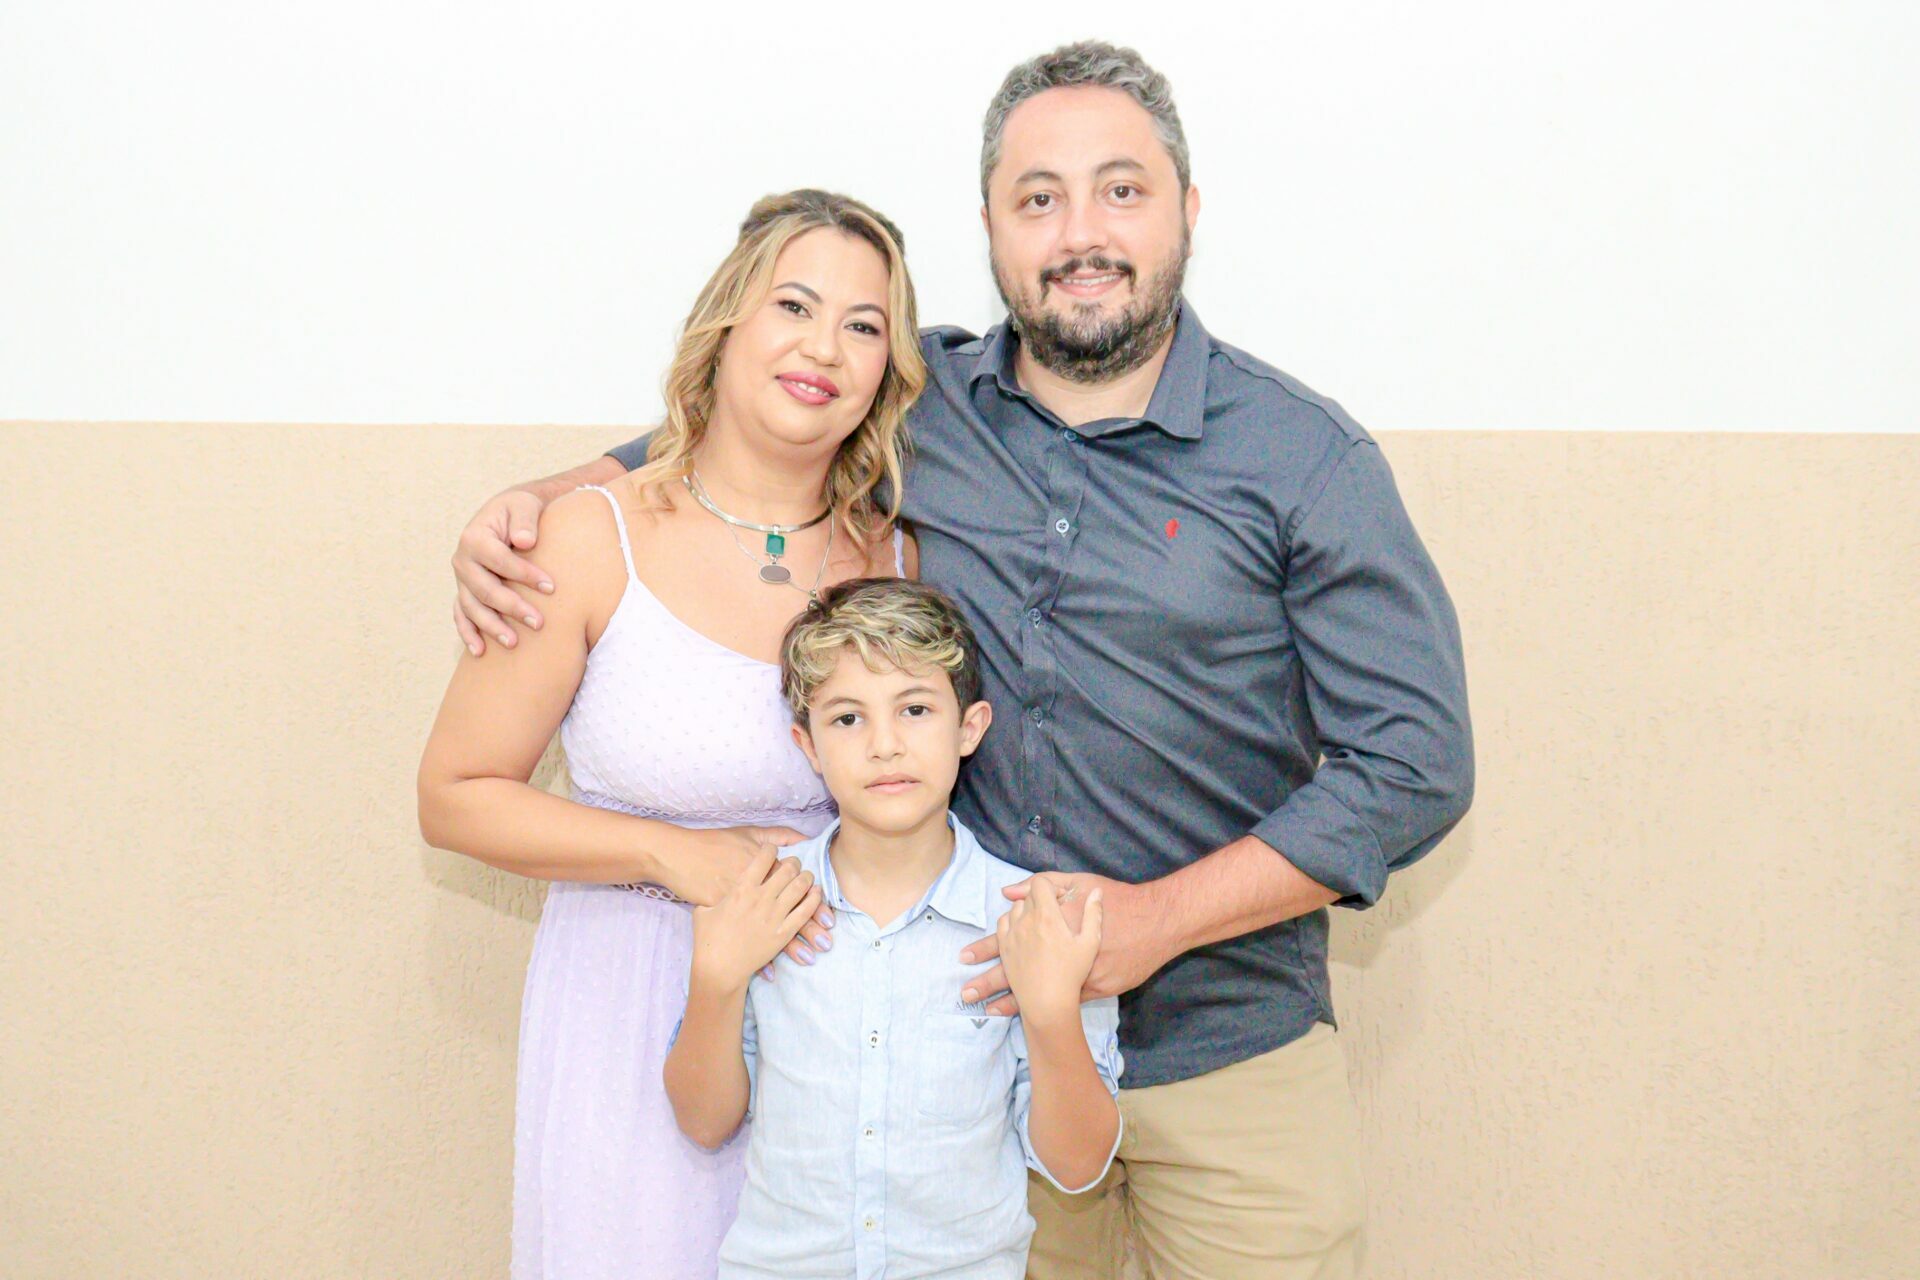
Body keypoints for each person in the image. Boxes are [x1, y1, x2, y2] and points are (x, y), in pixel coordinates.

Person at [451, 40, 1474, 1280]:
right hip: (956, 1072)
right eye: (1039, 197)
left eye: (1121, 190)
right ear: (990, 226)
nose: (1080, 233)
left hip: (1229, 1055)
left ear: (1188, 210)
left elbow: (1415, 764)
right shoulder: (918, 403)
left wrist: (1156, 921)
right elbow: (741, 430)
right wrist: (538, 498)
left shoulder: (1303, 457)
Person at [417, 188, 927, 1280]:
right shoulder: (585, 538)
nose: (823, 348)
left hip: (831, 1025)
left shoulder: (893, 560)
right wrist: (676, 856)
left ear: (888, 370)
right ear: (726, 322)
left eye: (863, 325)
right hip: (631, 1002)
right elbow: (454, 794)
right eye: (794, 305)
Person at [664, 577, 1124, 1279]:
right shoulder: (759, 902)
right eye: (847, 718)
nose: (884, 745)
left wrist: (1052, 1009)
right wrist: (716, 980)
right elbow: (704, 1122)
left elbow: (1078, 1165)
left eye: (914, 709)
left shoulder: (1034, 922)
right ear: (807, 744)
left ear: (969, 727)